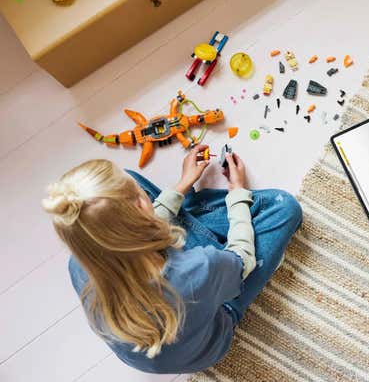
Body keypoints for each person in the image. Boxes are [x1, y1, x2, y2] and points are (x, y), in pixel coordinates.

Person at [41, 145, 302, 373]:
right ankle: (204, 218)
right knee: (284, 207)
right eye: (141, 200)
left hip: (157, 343)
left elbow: (134, 229)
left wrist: (184, 182)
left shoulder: (80, 264)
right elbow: (242, 259)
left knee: (124, 185)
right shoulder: (197, 270)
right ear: (143, 209)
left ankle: (192, 217)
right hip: (210, 334)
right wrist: (237, 193)